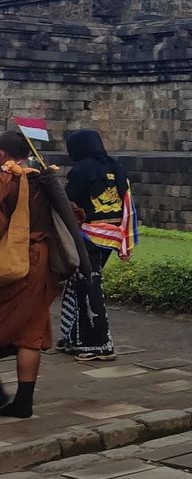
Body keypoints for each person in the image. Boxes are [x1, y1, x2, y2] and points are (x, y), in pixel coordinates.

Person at [0, 131, 91, 418]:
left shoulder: (6, 182)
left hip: (13, 262)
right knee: (30, 332)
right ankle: (23, 401)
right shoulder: (45, 179)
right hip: (43, 262)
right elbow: (75, 214)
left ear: (3, 155)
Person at [59, 129, 133, 361]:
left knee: (88, 285)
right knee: (80, 284)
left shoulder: (81, 171)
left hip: (88, 235)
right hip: (110, 235)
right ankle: (74, 336)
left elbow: (67, 202)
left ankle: (97, 343)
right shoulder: (116, 167)